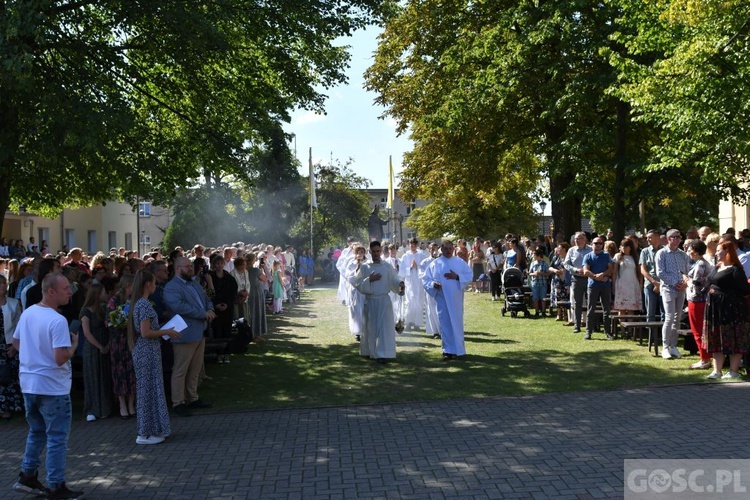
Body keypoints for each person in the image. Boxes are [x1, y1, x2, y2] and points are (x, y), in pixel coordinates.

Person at [12, 273, 84, 499]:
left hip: (29, 383)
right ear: (50, 291)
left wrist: (34, 354)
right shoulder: (57, 320)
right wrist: (73, 345)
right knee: (56, 438)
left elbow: (16, 342)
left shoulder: (28, 313)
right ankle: (56, 485)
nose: (69, 292)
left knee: (37, 431)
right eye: (65, 288)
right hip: (53, 387)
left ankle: (28, 475)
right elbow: (60, 358)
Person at [129, 270, 180, 444]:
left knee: (150, 389)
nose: (156, 286)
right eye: (153, 283)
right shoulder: (143, 305)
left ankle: (152, 429)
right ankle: (144, 432)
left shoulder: (140, 303)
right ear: (147, 285)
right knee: (147, 391)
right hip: (146, 351)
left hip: (149, 351)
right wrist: (167, 331)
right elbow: (146, 332)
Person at [163, 257, 216, 417]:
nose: (191, 269)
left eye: (191, 266)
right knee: (180, 369)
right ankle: (178, 402)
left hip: (199, 331)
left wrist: (210, 309)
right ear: (178, 268)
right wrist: (203, 313)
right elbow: (179, 307)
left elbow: (206, 298)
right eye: (188, 267)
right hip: (184, 333)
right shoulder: (171, 287)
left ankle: (192, 398)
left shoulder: (193, 283)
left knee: (195, 369)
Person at [703, 242, 750, 379]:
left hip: (730, 309)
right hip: (715, 307)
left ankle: (733, 371)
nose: (716, 253)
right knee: (716, 338)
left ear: (727, 252)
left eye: (719, 250)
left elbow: (745, 290)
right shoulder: (717, 267)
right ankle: (717, 371)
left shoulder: (736, 269)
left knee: (732, 338)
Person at [353, 241, 405, 363]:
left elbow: (394, 280)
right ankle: (371, 351)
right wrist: (369, 280)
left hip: (384, 301)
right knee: (371, 328)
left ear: (381, 251)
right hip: (371, 302)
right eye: (373, 251)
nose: (376, 254)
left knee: (384, 328)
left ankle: (382, 353)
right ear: (370, 252)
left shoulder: (387, 266)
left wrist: (400, 284)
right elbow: (357, 283)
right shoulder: (365, 267)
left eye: (378, 251)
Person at [422, 240, 473, 360]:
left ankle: (459, 349)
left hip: (455, 299)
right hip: (442, 298)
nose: (448, 251)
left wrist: (457, 277)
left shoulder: (459, 262)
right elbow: (426, 279)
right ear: (442, 249)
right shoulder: (435, 264)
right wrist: (434, 285)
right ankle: (447, 350)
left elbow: (469, 275)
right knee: (445, 324)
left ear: (453, 249)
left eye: (450, 248)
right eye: (446, 249)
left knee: (456, 323)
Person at [79, 284, 112, 422]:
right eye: (104, 292)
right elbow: (87, 333)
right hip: (93, 348)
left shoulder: (104, 309)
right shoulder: (86, 312)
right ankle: (92, 409)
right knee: (93, 377)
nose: (106, 294)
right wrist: (100, 346)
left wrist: (108, 344)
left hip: (105, 345)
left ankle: (105, 408)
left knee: (104, 377)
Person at [655, 229, 690, 359]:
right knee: (669, 317)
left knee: (677, 317)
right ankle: (665, 347)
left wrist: (685, 283)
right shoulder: (662, 253)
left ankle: (673, 346)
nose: (677, 239)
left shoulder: (683, 255)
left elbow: (687, 272)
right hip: (668, 289)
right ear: (669, 239)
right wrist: (675, 283)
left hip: (681, 289)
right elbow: (660, 273)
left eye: (679, 237)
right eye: (674, 237)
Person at [107, 274, 137, 419]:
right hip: (118, 341)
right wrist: (118, 323)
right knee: (119, 372)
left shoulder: (133, 300)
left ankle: (131, 403)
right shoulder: (114, 300)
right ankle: (122, 404)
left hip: (131, 339)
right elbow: (108, 320)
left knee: (132, 371)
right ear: (127, 285)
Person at [685, 240, 713, 370]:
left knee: (698, 331)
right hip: (702, 301)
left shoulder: (700, 264)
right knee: (702, 330)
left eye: (690, 249)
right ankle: (705, 357)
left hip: (697, 301)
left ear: (695, 251)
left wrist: (687, 281)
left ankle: (704, 359)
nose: (688, 252)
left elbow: (696, 285)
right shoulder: (704, 263)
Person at [582, 236, 615, 340]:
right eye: (596, 243)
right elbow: (585, 271)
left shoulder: (606, 255)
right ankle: (588, 332)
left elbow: (611, 269)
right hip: (593, 285)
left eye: (600, 243)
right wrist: (597, 277)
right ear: (592, 244)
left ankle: (608, 332)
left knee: (607, 309)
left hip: (605, 286)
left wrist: (603, 274)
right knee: (591, 309)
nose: (598, 245)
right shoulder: (588, 256)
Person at [0, 274, 22, 420]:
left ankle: (11, 405)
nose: (2, 286)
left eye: (4, 283)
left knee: (9, 376)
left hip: (8, 345)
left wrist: (15, 346)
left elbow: (20, 327)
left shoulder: (13, 303)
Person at [563, 232, 592, 333]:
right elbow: (566, 264)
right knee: (577, 303)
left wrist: (588, 271)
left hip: (589, 279)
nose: (576, 240)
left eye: (579, 238)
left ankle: (589, 325)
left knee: (590, 303)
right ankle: (577, 325)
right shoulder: (571, 250)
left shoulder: (591, 249)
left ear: (584, 240)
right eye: (575, 239)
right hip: (576, 278)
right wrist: (576, 270)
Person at [399, 238, 426, 330]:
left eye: (414, 246)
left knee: (418, 301)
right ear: (409, 245)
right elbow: (402, 270)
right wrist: (410, 268)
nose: (412, 247)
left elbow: (424, 269)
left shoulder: (422, 256)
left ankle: (417, 323)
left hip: (418, 282)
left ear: (417, 245)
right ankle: (409, 322)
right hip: (409, 281)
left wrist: (417, 267)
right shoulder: (405, 256)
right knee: (409, 301)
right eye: (411, 245)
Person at [612, 238, 643, 314]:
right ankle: (622, 326)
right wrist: (613, 284)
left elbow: (640, 272)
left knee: (631, 309)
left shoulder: (635, 257)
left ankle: (630, 325)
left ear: (630, 247)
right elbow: (615, 272)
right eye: (622, 246)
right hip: (621, 284)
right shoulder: (618, 256)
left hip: (632, 284)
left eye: (626, 246)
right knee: (621, 308)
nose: (624, 248)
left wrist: (641, 284)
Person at [640, 229, 664, 322]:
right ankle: (652, 336)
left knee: (665, 312)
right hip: (650, 285)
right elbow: (643, 269)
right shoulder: (645, 251)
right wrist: (654, 282)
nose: (648, 239)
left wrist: (660, 284)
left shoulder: (665, 250)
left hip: (663, 284)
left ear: (657, 237)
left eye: (650, 237)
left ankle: (664, 335)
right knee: (650, 313)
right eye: (647, 238)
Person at [345, 245, 367, 342]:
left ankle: (364, 330)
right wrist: (356, 270)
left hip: (364, 290)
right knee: (355, 311)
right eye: (358, 252)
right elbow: (349, 276)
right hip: (354, 290)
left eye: (362, 252)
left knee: (363, 310)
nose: (360, 254)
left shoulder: (367, 263)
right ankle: (357, 331)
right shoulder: (351, 263)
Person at [247, 253, 268, 342]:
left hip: (248, 293)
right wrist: (263, 268)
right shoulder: (255, 270)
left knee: (250, 314)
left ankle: (252, 334)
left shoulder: (245, 269)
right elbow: (265, 278)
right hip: (256, 293)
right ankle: (255, 334)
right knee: (257, 313)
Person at [549, 243, 571, 322]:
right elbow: (550, 267)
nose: (558, 249)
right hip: (557, 280)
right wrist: (555, 270)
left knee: (567, 296)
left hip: (566, 280)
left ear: (564, 249)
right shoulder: (556, 258)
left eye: (559, 248)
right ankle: (559, 314)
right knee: (557, 296)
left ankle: (567, 315)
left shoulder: (569, 257)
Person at [528, 248, 550, 317]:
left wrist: (540, 273)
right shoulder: (533, 263)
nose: (533, 256)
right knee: (535, 298)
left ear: (538, 255)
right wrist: (534, 274)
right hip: (535, 283)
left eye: (534, 255)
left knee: (543, 298)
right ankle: (536, 312)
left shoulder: (545, 263)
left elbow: (547, 274)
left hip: (543, 283)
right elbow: (529, 273)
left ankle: (543, 311)